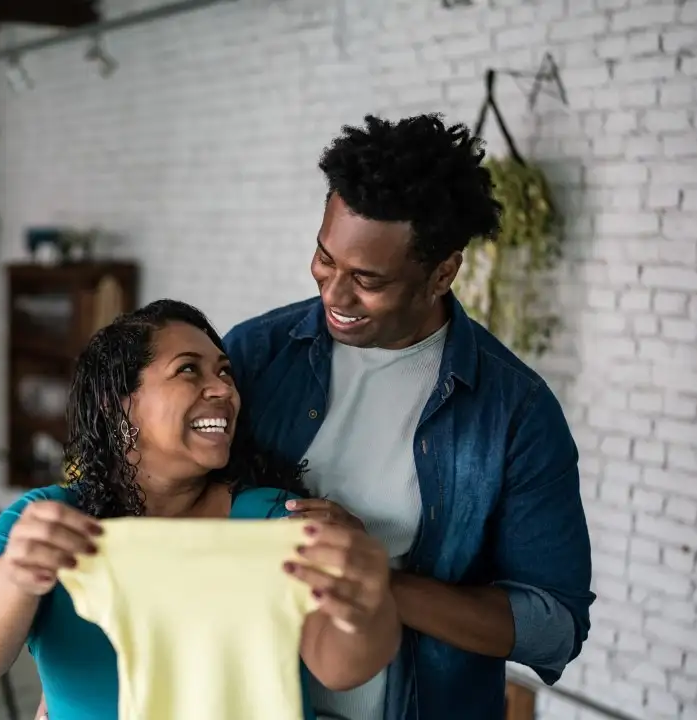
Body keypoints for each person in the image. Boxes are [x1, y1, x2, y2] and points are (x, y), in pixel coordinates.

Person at [220, 114, 595, 719]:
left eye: (367, 280)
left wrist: (374, 579)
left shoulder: (514, 413)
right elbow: (160, 494)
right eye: (324, 259)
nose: (334, 296)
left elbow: (554, 626)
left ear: (443, 272)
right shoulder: (255, 354)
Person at [0, 299, 401, 720]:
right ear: (119, 405)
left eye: (224, 372)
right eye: (188, 371)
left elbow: (341, 666)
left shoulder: (270, 523)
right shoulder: (51, 522)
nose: (222, 389)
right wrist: (16, 575)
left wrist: (361, 604)